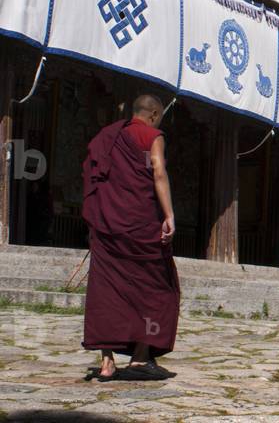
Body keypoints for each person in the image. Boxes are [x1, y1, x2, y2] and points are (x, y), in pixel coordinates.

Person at [82, 94, 180, 381]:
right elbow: (158, 173)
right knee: (158, 290)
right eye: (159, 117)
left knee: (107, 292)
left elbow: (95, 175)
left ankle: (106, 362)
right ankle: (139, 358)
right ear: (152, 115)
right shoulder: (152, 136)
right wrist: (169, 215)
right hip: (142, 229)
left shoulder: (109, 137)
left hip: (109, 227)